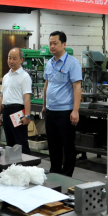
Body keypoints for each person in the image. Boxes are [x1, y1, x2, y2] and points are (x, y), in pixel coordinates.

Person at [42, 31, 82, 176]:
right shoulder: (49, 63)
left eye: (55, 43)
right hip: (50, 110)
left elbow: (77, 87)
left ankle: (67, 176)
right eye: (50, 43)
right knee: (53, 145)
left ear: (64, 44)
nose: (52, 46)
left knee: (68, 146)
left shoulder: (73, 63)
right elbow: (47, 85)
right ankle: (55, 173)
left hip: (65, 111)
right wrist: (44, 105)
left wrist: (75, 110)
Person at [0, 48, 33, 154]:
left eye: (14, 58)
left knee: (20, 142)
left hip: (17, 112)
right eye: (9, 58)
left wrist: (27, 116)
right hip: (6, 111)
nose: (11, 61)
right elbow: (2, 96)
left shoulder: (25, 77)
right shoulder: (6, 76)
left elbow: (27, 97)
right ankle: (13, 164)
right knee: (10, 142)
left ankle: (26, 164)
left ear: (21, 60)